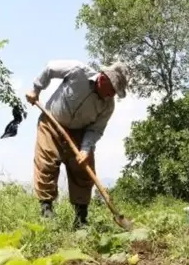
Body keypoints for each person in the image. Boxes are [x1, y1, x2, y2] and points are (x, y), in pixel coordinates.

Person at [25, 59, 129, 229]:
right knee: (46, 163)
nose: (112, 95)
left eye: (115, 93)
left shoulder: (108, 106)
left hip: (79, 133)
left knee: (83, 171)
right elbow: (50, 68)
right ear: (103, 78)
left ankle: (81, 218)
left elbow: (95, 130)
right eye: (112, 90)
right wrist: (36, 89)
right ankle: (46, 211)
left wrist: (85, 150)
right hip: (51, 122)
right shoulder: (77, 71)